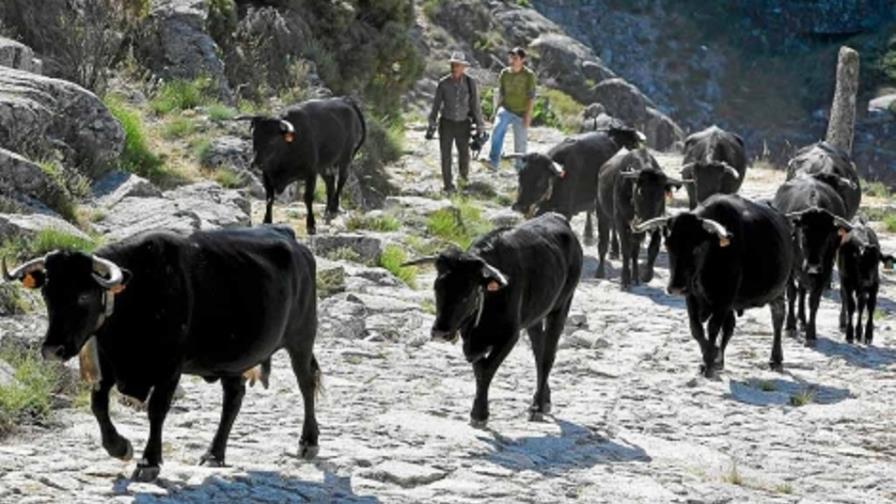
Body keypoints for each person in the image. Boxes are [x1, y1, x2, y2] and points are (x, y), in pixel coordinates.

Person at [426, 51, 486, 193]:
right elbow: (436, 105)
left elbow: (475, 105)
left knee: (464, 154)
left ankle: (463, 181)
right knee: (445, 155)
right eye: (453, 65)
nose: (454, 67)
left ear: (463, 67)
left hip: (463, 124)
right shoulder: (443, 83)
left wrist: (480, 125)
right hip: (446, 123)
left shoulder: (470, 83)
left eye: (457, 65)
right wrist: (432, 123)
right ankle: (448, 185)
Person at [485, 46, 536, 171]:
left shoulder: (529, 75)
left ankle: (520, 168)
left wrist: (527, 115)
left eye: (515, 58)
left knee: (521, 142)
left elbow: (531, 97)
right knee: (497, 129)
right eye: (511, 57)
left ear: (522, 60)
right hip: (506, 109)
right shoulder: (505, 73)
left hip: (521, 112)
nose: (512, 60)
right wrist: (495, 111)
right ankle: (493, 161)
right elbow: (501, 94)